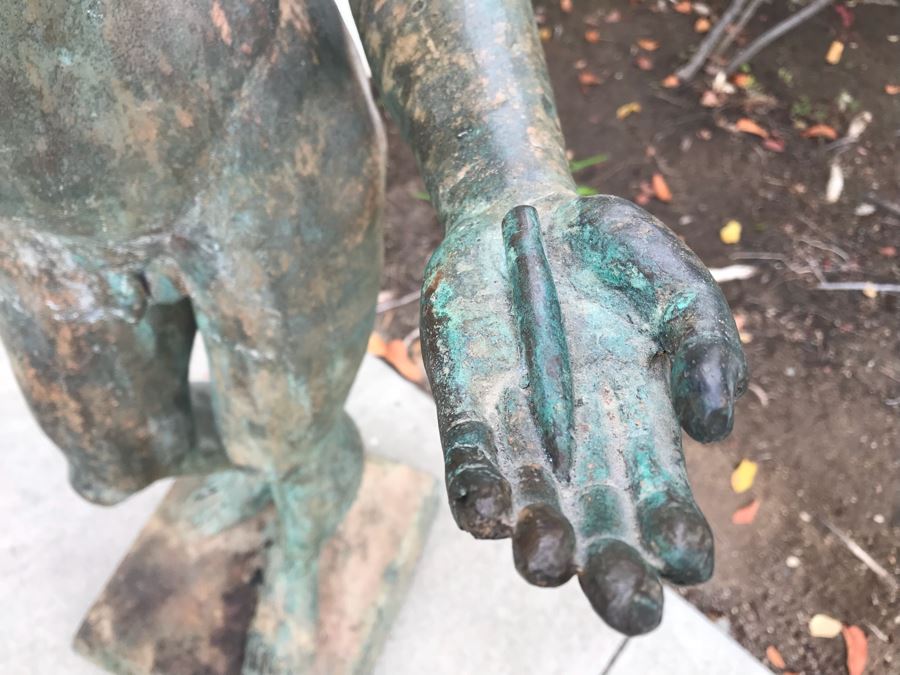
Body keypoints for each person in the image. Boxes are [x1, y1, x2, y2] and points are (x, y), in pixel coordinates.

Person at [0, 1, 746, 670]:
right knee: (112, 460)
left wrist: (503, 176)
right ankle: (276, 457)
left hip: (260, 138)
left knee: (281, 430)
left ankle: (302, 521)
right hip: (38, 219)